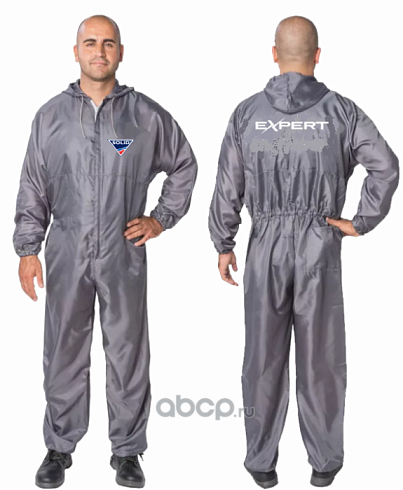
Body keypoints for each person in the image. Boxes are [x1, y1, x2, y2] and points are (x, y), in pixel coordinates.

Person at [208, 15, 399, 489]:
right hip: (320, 243)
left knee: (262, 358)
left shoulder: (247, 113)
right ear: (317, 55)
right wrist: (359, 221)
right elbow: (386, 166)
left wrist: (224, 242)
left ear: (274, 55)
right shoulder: (341, 112)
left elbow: (228, 185)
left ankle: (261, 462)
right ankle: (324, 463)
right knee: (322, 358)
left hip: (265, 245)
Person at [13, 14, 198, 489]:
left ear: (121, 52)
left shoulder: (144, 116)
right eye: (91, 43)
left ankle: (128, 452)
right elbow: (32, 186)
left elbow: (184, 163)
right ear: (75, 51)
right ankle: (59, 447)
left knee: (128, 351)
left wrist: (160, 218)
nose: (99, 51)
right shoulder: (50, 117)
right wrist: (28, 249)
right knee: (63, 349)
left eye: (109, 43)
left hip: (122, 250)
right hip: (66, 248)